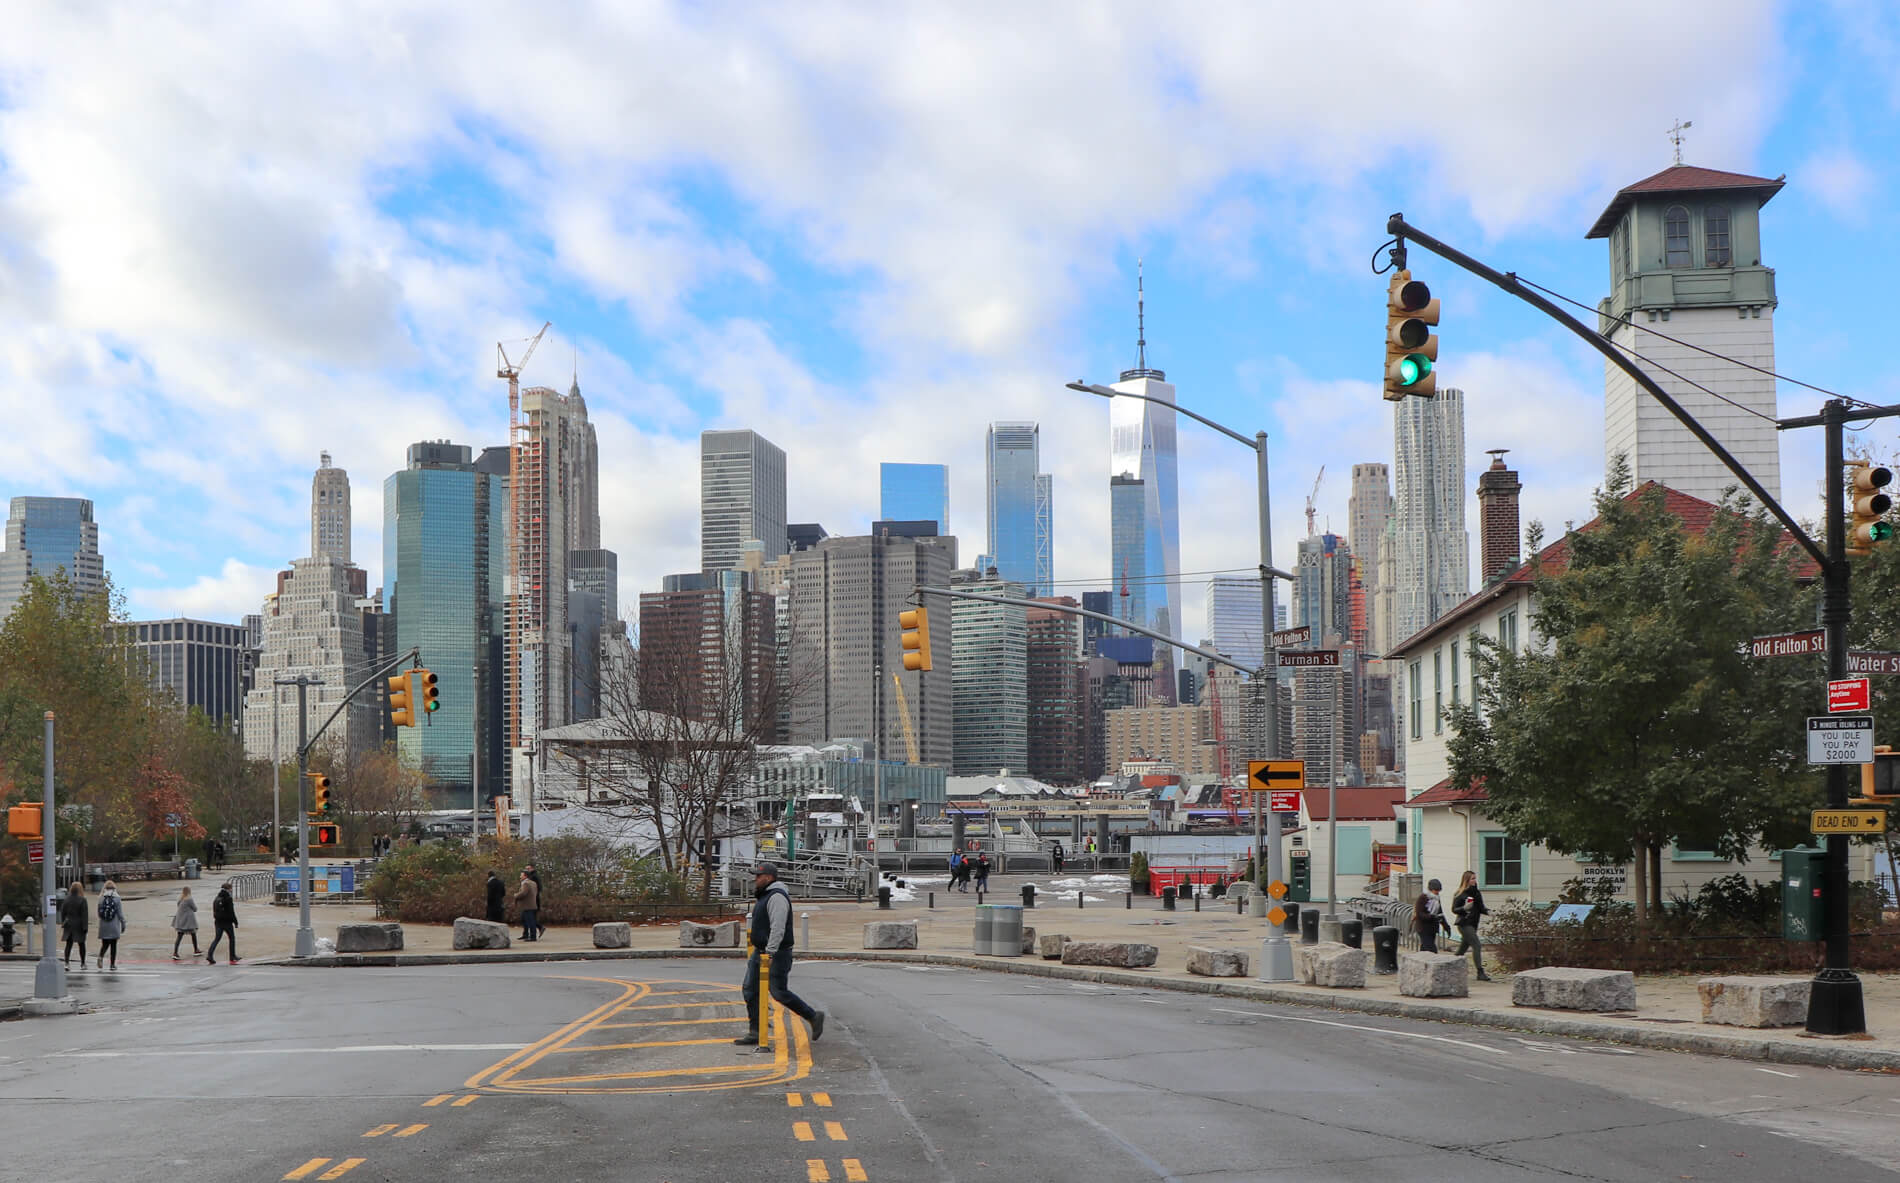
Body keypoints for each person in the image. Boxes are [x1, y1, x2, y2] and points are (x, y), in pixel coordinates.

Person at [734, 862, 824, 1046]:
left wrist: (771, 951)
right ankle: (756, 1031)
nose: (755, 880)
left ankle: (813, 1016)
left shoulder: (776, 897)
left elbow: (778, 926)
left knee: (778, 992)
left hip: (776, 953)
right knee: (750, 990)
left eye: (758, 876)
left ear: (768, 877)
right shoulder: (765, 895)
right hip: (760, 953)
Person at [1451, 870, 1492, 980]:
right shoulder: (1460, 894)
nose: (1474, 880)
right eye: (1472, 878)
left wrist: (1488, 912)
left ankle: (1449, 966)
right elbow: (1454, 909)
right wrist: (1464, 908)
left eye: (1475, 878)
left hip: (1473, 923)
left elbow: (1480, 907)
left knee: (1462, 949)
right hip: (1464, 923)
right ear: (1467, 880)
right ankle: (1480, 972)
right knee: (1477, 945)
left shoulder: (1476, 893)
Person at [207, 880, 239, 965]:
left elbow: (214, 910)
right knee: (232, 938)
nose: (232, 890)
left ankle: (210, 955)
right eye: (231, 889)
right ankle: (232, 956)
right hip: (227, 922)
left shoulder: (217, 897)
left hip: (218, 922)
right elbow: (231, 912)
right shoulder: (228, 898)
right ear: (228, 889)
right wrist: (235, 922)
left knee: (217, 939)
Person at [96, 881, 127, 970]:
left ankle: (100, 956)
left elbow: (99, 914)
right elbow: (120, 914)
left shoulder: (101, 898)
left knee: (105, 944)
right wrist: (123, 923)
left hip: (104, 925)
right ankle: (112, 965)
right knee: (113, 945)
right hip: (114, 925)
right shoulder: (117, 898)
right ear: (114, 888)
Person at [1414, 881, 1452, 953]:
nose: (1437, 892)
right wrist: (1430, 917)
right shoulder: (1423, 898)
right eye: (1436, 890)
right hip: (1423, 928)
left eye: (1438, 890)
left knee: (1425, 949)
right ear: (1430, 889)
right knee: (1432, 949)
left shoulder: (1436, 898)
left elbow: (1440, 913)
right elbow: (1419, 913)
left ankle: (1422, 961)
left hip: (1432, 928)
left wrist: (1446, 926)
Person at [59, 880, 89, 970]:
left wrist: (63, 922)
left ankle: (67, 963)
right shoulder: (82, 900)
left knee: (68, 945)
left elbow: (62, 912)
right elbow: (84, 915)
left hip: (69, 924)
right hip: (79, 924)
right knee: (82, 945)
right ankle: (83, 963)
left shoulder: (66, 900)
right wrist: (85, 927)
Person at [171, 886, 200, 959]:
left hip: (180, 920)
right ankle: (196, 950)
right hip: (188, 921)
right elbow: (195, 909)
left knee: (179, 937)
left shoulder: (180, 899)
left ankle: (175, 953)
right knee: (193, 934)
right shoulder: (189, 899)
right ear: (189, 891)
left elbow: (179, 907)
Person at [514, 868, 539, 941]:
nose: (520, 877)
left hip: (527, 905)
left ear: (525, 876)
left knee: (529, 921)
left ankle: (532, 937)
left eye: (521, 875)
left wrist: (516, 895)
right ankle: (526, 934)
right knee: (527, 920)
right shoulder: (533, 883)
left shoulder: (526, 883)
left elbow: (523, 893)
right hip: (532, 904)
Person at [525, 863, 545, 938]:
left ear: (532, 868)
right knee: (529, 917)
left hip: (534, 900)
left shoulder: (533, 877)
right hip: (534, 899)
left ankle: (538, 928)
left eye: (528, 868)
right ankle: (528, 933)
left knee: (530, 917)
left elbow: (537, 888)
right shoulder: (533, 876)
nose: (527, 870)